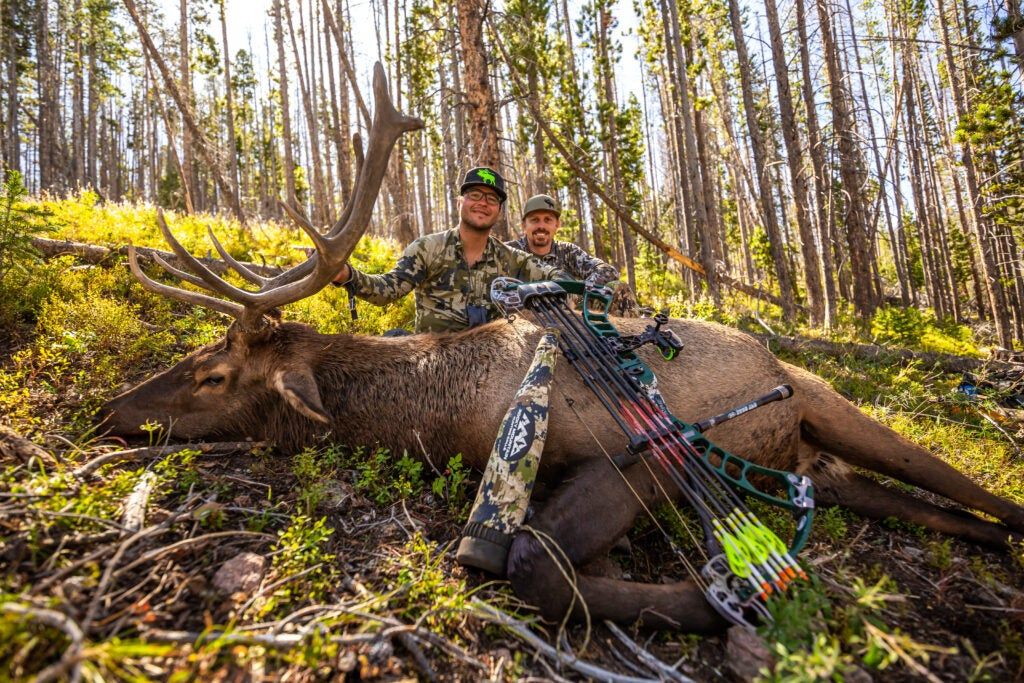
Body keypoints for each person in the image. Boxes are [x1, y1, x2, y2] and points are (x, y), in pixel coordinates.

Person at [331, 168, 569, 333]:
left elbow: (562, 282)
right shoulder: (427, 249)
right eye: (475, 195)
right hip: (435, 363)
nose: (483, 203)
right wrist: (347, 275)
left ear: (499, 211)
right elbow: (386, 290)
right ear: (459, 203)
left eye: (492, 199)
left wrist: (529, 299)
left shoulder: (511, 259)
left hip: (493, 366)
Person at [507, 194, 638, 314]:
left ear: (557, 225)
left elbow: (608, 271)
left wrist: (576, 294)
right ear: (524, 225)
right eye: (535, 220)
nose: (541, 226)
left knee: (619, 288)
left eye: (548, 220)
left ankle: (628, 337)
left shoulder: (568, 251)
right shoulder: (508, 251)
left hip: (569, 314)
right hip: (524, 315)